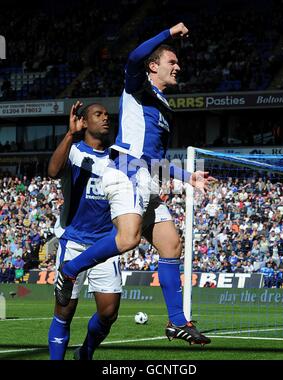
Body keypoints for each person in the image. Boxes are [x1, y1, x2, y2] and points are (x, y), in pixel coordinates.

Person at [56, 23, 214, 346]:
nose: (178, 67)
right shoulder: (137, 87)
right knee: (127, 239)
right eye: (172, 62)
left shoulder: (165, 108)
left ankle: (177, 321)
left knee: (171, 244)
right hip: (126, 172)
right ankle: (70, 269)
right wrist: (169, 33)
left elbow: (154, 157)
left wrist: (188, 176)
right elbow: (132, 57)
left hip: (148, 177)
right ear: (154, 66)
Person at [48, 101, 122, 360]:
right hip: (75, 241)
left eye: (106, 115)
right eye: (98, 114)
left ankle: (86, 352)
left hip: (105, 244)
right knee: (65, 310)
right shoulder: (74, 151)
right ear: (85, 121)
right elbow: (53, 171)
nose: (105, 119)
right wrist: (69, 134)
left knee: (109, 313)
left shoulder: (118, 158)